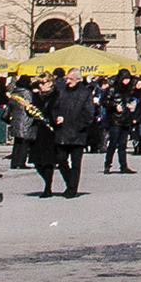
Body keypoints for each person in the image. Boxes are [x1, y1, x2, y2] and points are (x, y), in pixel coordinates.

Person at [50, 69, 101, 199]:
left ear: (78, 80)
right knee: (61, 159)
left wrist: (78, 125)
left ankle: (72, 189)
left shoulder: (85, 93)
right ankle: (70, 182)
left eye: (70, 79)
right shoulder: (61, 91)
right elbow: (54, 108)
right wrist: (56, 117)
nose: (67, 81)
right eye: (66, 79)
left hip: (78, 133)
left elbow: (89, 113)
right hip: (62, 131)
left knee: (76, 163)